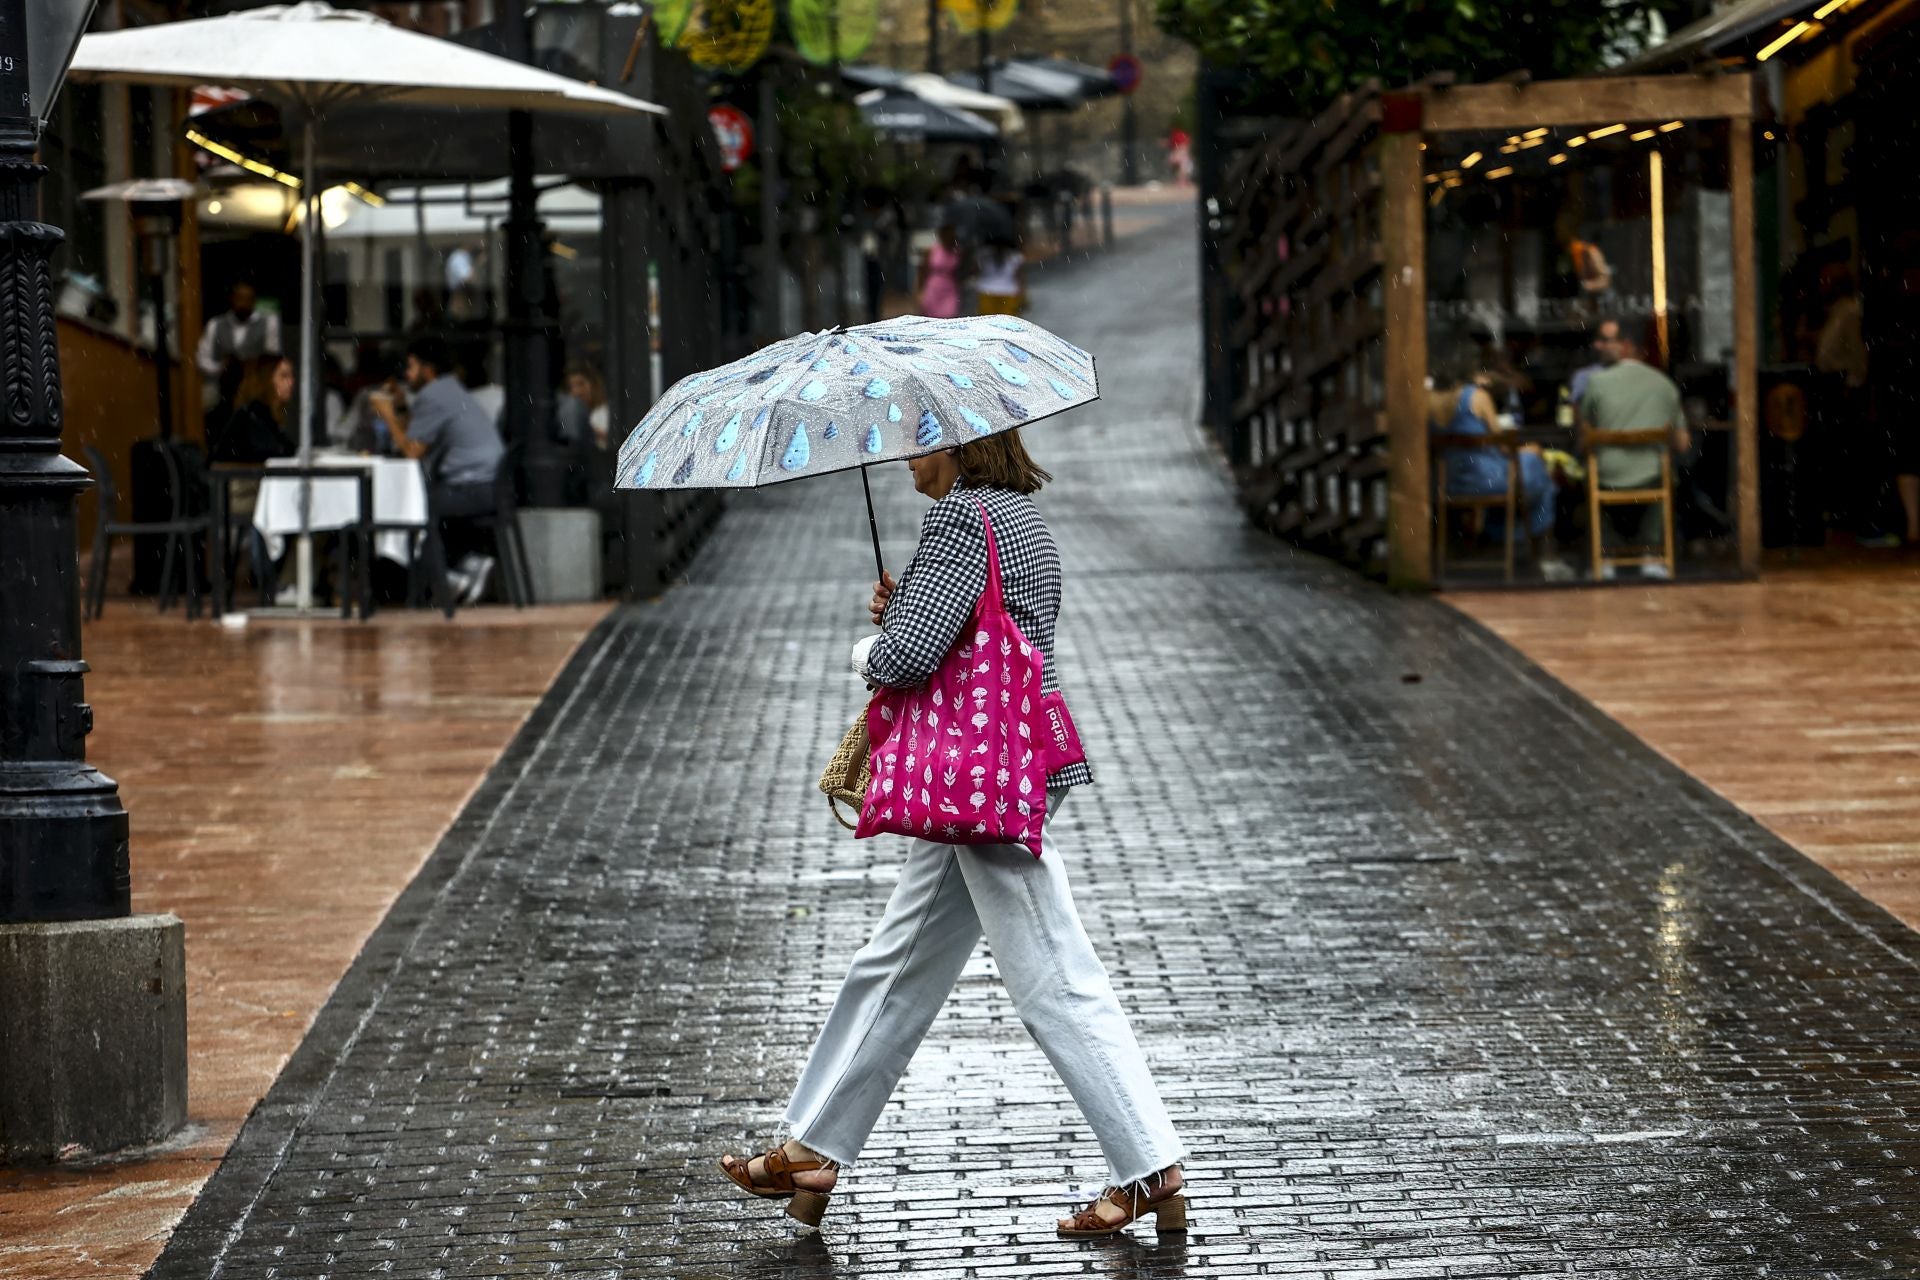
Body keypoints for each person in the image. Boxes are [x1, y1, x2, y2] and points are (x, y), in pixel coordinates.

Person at [719, 431, 1188, 1238]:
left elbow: (903, 659)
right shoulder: (1019, 518)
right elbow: (981, 631)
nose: (907, 457)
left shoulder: (962, 521)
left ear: (964, 448)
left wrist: (877, 637)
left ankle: (1151, 1165)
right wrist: (913, 603)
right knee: (896, 961)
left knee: (1049, 974)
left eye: (921, 443)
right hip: (997, 766)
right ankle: (816, 1144)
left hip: (978, 779)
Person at [372, 336, 506, 603]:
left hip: (474, 489)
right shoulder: (450, 390)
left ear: (428, 369)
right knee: (424, 500)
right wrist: (400, 406)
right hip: (493, 487)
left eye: (411, 367)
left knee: (416, 506)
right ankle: (466, 564)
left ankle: (443, 578)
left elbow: (411, 451)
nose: (407, 375)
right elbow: (420, 432)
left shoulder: (433, 395)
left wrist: (387, 415)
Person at [1429, 358, 1557, 572]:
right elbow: (1502, 444)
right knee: (1540, 470)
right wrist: (1530, 449)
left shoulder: (1428, 402)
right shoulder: (1476, 397)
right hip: (1487, 479)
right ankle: (1536, 550)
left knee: (1533, 474)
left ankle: (1499, 538)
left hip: (1449, 482)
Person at [1579, 334, 1689, 578]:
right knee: (1666, 475)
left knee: (1590, 475)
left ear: (1626, 348)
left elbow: (1584, 435)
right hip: (1651, 472)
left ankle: (1604, 555)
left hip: (1607, 473)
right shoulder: (1664, 384)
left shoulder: (1596, 382)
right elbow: (1682, 444)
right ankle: (1651, 553)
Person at [196, 282, 282, 407]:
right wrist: (221, 367)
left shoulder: (267, 323)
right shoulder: (215, 324)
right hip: (222, 388)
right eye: (240, 298)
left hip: (255, 387)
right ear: (232, 299)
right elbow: (202, 360)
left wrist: (251, 366)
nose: (244, 304)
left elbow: (272, 355)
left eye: (248, 299)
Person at [1569, 317, 1624, 408]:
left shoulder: (1639, 375)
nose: (1597, 345)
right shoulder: (1584, 377)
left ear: (1623, 343)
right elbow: (1579, 416)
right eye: (1598, 339)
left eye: (1605, 340)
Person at [917, 224, 967, 320]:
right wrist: (919, 291)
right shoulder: (932, 250)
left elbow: (962, 272)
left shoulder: (958, 251)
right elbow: (922, 271)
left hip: (950, 287)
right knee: (930, 317)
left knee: (950, 315)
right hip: (933, 286)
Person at [973, 234, 1025, 316]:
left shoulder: (1014, 256)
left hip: (993, 291)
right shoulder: (984, 254)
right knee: (1007, 321)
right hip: (1000, 291)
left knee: (989, 321)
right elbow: (1019, 276)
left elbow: (975, 271)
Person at [564, 363, 611, 450]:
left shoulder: (606, 412)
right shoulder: (571, 415)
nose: (576, 391)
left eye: (581, 384)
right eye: (571, 386)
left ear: (594, 384)